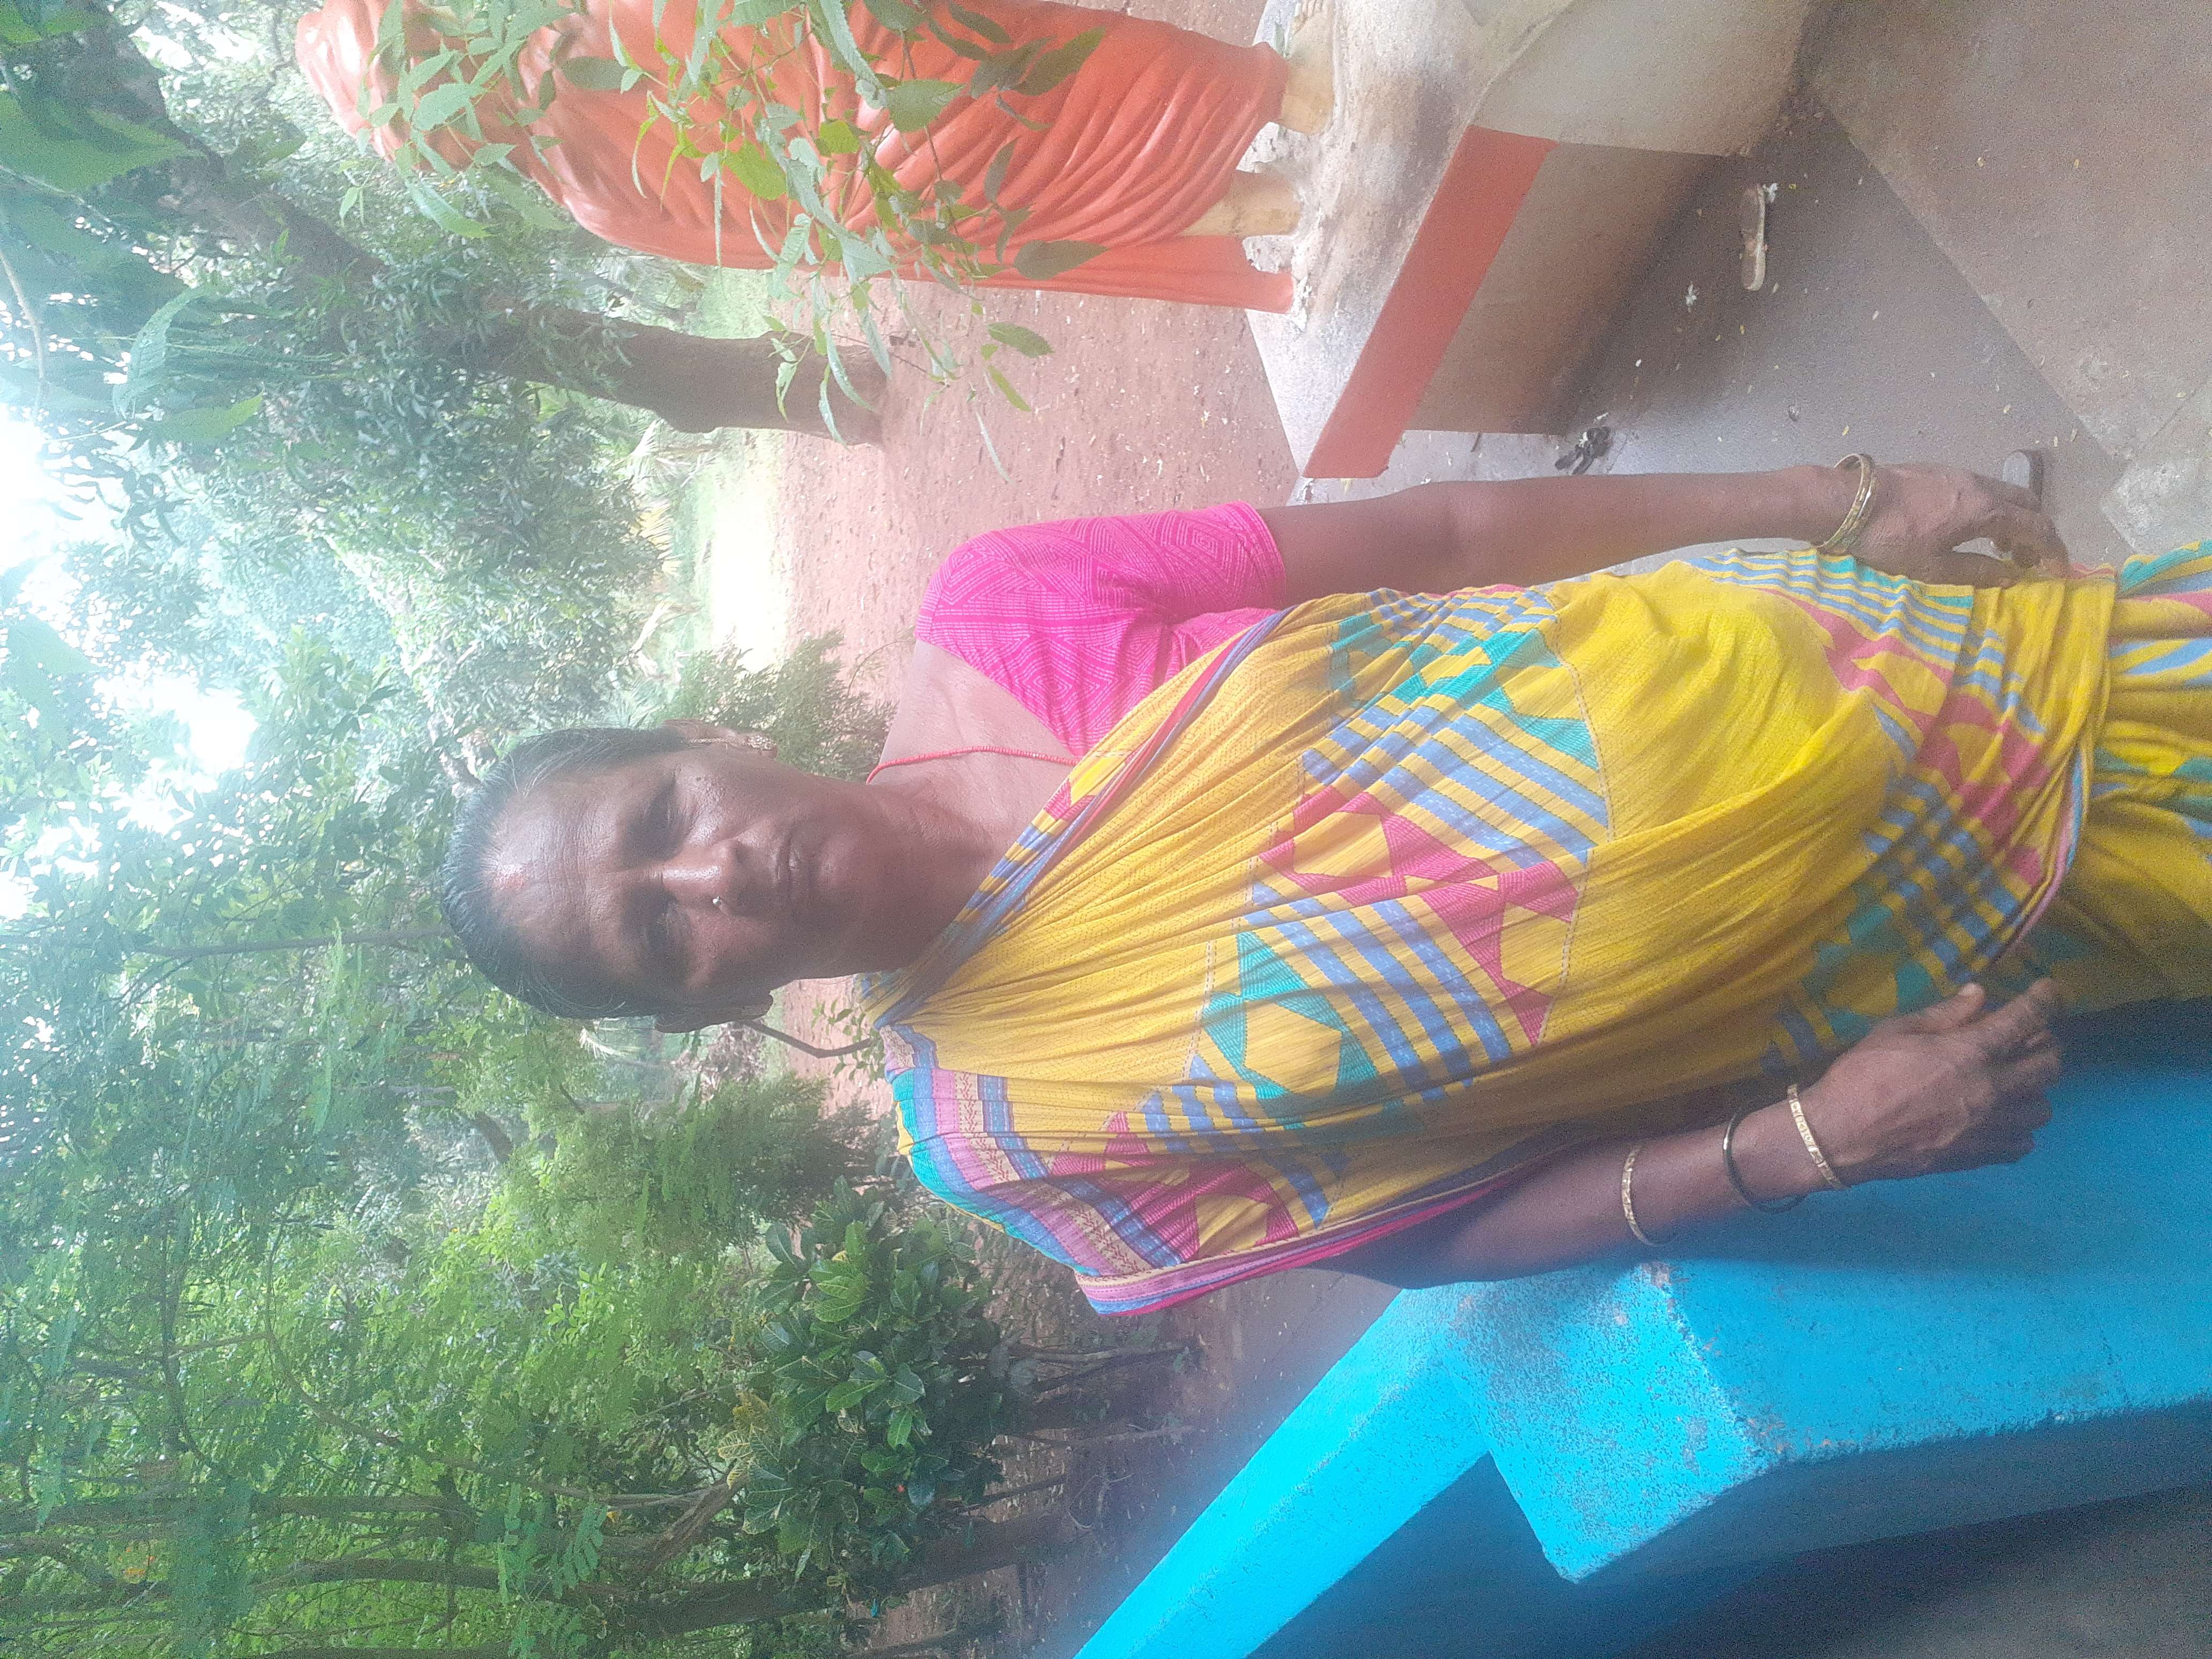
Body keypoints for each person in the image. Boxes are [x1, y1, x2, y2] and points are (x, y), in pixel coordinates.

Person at [442, 461, 2212, 1314]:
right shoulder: (1010, 1135)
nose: (713, 869)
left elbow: (1445, 538)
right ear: (699, 1010)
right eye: (657, 927)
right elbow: (1423, 1234)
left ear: (707, 735)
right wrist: (1804, 1144)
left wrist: (1840, 499)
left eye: (662, 811)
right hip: (1972, 937)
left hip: (1959, 668)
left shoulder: (1008, 608)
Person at [295, 0, 1320, 311]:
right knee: (1108, 79)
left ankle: (1259, 197)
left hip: (910, 186)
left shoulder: (587, 197)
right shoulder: (595, 28)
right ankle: (1292, 102)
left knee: (1064, 185)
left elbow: (803, 240)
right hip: (919, 97)